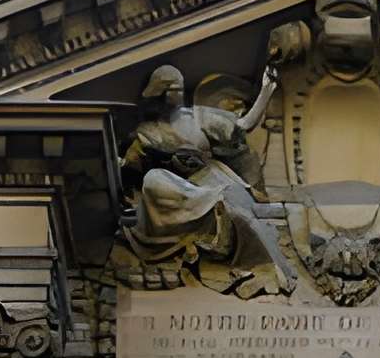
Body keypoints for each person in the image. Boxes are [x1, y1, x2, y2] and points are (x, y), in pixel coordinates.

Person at [120, 64, 295, 294]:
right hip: (177, 187)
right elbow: (129, 167)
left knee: (236, 209)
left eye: (180, 88)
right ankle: (202, 215)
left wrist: (266, 89)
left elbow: (243, 126)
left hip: (212, 178)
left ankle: (236, 244)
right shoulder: (147, 131)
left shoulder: (198, 117)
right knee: (153, 179)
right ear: (158, 93)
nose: (178, 93)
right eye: (172, 89)